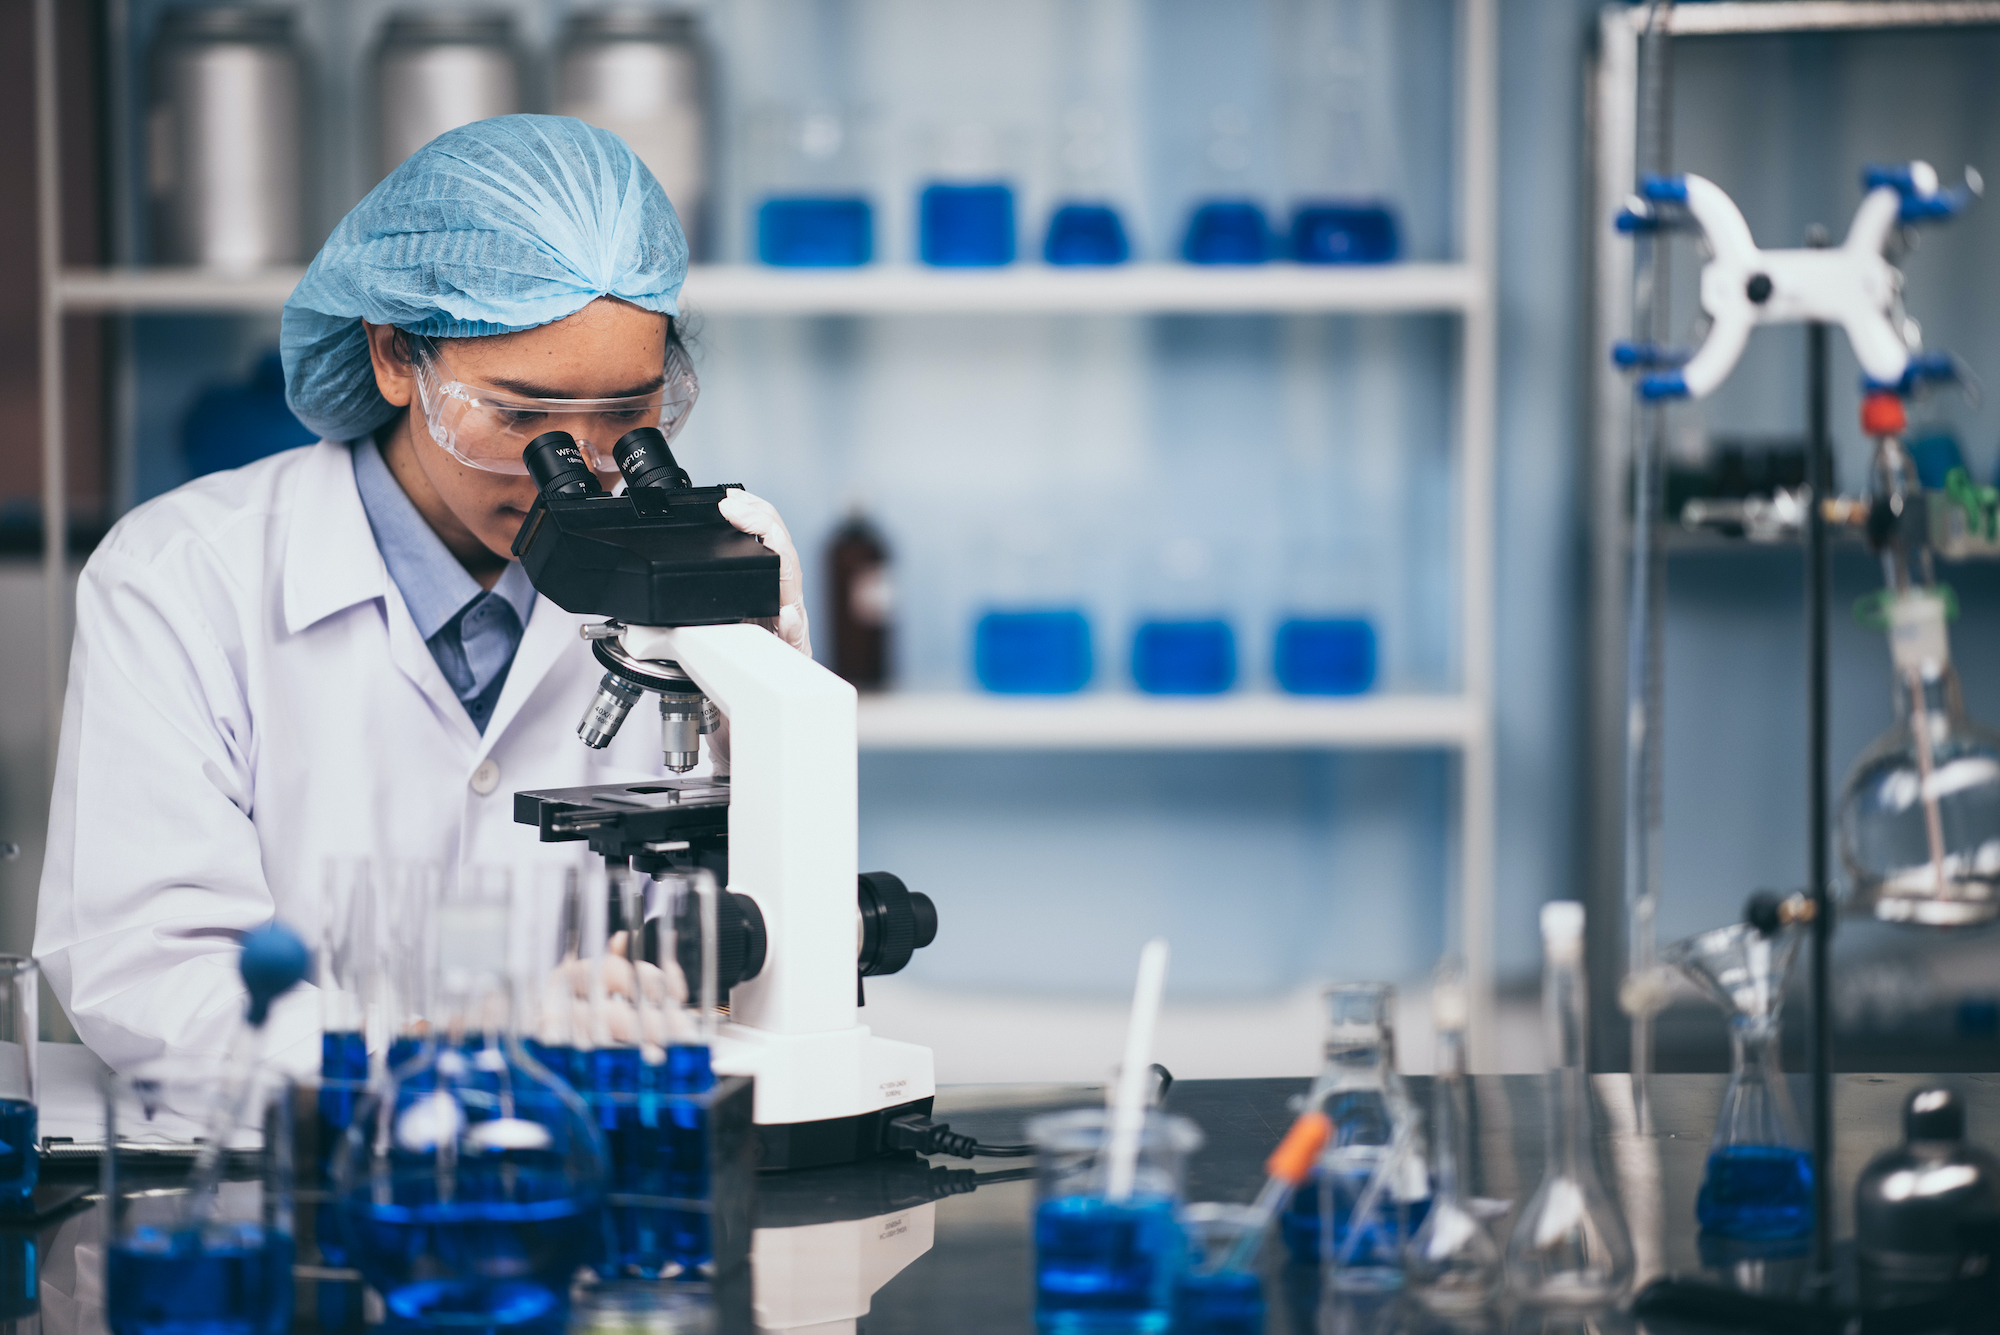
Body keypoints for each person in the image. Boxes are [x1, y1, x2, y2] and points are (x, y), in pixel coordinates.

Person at [36, 116, 809, 1074]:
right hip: (312, 1169)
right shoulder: (182, 578)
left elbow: (759, 933)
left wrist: (774, 720)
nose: (575, 466)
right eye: (521, 416)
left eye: (626, 417)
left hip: (592, 1164)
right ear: (396, 358)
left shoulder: (694, 582)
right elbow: (149, 973)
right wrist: (450, 1045)